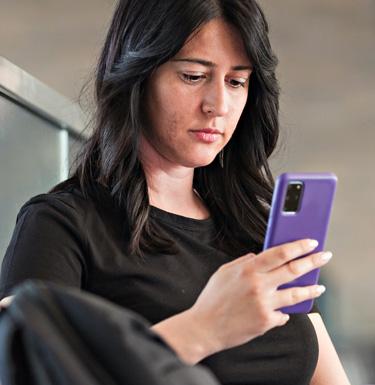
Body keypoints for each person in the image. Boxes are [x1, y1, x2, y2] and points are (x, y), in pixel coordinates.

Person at [0, 0, 351, 384]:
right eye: (193, 76)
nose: (218, 105)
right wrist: (204, 329)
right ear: (138, 76)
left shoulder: (254, 229)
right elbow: (26, 370)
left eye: (236, 82)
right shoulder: (60, 225)